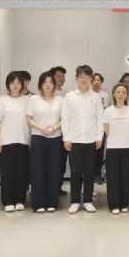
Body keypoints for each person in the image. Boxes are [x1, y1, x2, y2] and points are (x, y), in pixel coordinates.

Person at [61, 65, 104, 214]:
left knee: (89, 172)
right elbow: (65, 118)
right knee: (75, 172)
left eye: (87, 77)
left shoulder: (96, 97)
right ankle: (74, 201)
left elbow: (100, 118)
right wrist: (66, 138)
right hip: (74, 140)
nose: (84, 80)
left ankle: (87, 201)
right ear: (76, 78)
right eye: (81, 77)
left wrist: (99, 137)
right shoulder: (70, 96)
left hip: (91, 140)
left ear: (91, 78)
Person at [0, 72, 30, 213]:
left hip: (23, 140)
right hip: (6, 141)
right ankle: (7, 200)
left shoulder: (27, 100)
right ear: (8, 84)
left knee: (21, 172)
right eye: (13, 82)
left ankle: (20, 200)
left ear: (22, 85)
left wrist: (31, 138)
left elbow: (30, 120)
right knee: (7, 172)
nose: (15, 85)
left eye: (18, 82)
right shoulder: (2, 100)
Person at [26, 71, 63, 213]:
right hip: (38, 137)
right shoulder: (34, 99)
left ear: (54, 84)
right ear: (40, 84)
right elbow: (29, 119)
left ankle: (52, 202)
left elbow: (64, 118)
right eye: (45, 82)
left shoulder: (60, 100)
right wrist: (41, 128)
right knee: (38, 170)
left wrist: (54, 128)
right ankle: (38, 203)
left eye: (50, 82)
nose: (48, 85)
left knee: (54, 170)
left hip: (55, 137)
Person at [103, 83, 129, 214]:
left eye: (123, 92)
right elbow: (107, 131)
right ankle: (114, 205)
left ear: (127, 95)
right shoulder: (108, 111)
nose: (121, 94)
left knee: (126, 176)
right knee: (113, 177)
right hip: (112, 148)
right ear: (114, 94)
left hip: (128, 147)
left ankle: (124, 203)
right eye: (118, 92)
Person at [51, 66, 69, 196]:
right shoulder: (47, 93)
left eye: (63, 76)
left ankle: (58, 186)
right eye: (58, 76)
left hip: (64, 133)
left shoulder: (68, 94)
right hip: (49, 133)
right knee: (51, 162)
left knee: (61, 162)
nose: (61, 78)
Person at [92, 72, 110, 185]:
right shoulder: (88, 94)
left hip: (101, 127)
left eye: (98, 80)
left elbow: (106, 111)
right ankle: (89, 175)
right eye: (94, 80)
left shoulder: (105, 95)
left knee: (99, 151)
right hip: (90, 127)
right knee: (90, 152)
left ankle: (97, 174)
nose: (96, 82)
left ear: (101, 82)